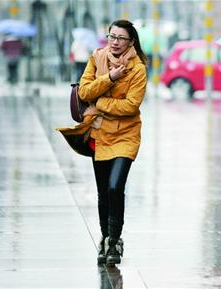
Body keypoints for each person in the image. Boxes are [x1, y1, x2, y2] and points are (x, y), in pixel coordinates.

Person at [76, 19, 147, 265]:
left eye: (120, 38)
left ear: (131, 42)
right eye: (112, 36)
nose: (115, 42)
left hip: (126, 135)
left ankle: (115, 242)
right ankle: (105, 238)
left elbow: (130, 106)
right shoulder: (97, 58)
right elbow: (84, 92)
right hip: (99, 134)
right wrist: (110, 78)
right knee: (103, 192)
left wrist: (101, 104)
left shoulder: (138, 69)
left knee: (116, 187)